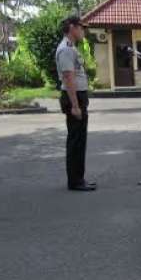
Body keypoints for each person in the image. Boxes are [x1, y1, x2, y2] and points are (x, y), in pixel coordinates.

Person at [55, 16, 95, 192]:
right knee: (76, 141)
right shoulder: (65, 49)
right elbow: (69, 78)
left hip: (78, 96)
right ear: (72, 27)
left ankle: (79, 178)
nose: (83, 31)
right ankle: (75, 181)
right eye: (81, 27)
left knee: (80, 140)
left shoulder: (71, 48)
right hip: (74, 98)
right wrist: (75, 105)